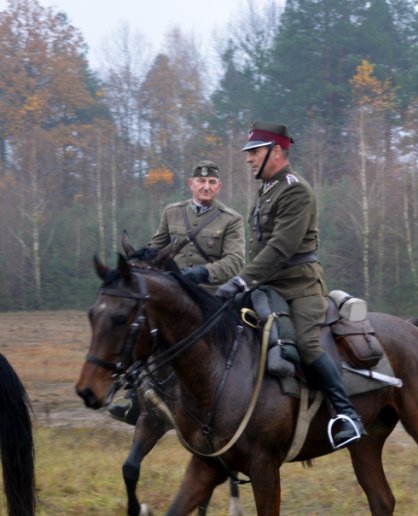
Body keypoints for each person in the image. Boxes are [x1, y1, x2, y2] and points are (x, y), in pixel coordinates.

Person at [216, 121, 364, 449]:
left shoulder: (296, 190)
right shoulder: (267, 190)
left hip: (301, 287)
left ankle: (347, 415)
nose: (249, 158)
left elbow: (281, 248)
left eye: (255, 152)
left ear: (277, 152)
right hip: (267, 286)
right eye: (249, 153)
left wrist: (241, 281)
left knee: (308, 345)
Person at [108, 159, 245, 424]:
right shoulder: (172, 213)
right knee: (144, 329)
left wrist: (201, 273)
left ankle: (234, 393)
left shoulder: (231, 219)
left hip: (211, 297)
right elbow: (155, 250)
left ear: (219, 187)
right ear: (191, 184)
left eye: (212, 182)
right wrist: (137, 260)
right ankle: (135, 399)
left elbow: (235, 262)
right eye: (201, 181)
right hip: (176, 297)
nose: (206, 187)